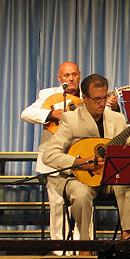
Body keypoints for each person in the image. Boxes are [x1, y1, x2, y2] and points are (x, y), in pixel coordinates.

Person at [42, 74, 130, 243]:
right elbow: (49, 155)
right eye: (97, 99)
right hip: (78, 178)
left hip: (107, 177)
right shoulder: (71, 119)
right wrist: (80, 163)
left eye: (104, 98)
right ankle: (85, 243)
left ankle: (127, 236)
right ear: (84, 98)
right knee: (81, 194)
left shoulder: (117, 118)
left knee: (124, 183)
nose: (102, 103)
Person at [21, 61, 83, 240]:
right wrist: (50, 114)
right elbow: (26, 113)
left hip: (80, 156)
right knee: (56, 203)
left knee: (82, 202)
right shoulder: (48, 95)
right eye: (66, 75)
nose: (71, 79)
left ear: (79, 75)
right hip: (53, 157)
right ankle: (59, 245)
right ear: (59, 78)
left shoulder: (87, 94)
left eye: (74, 74)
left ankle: (83, 244)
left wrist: (113, 105)